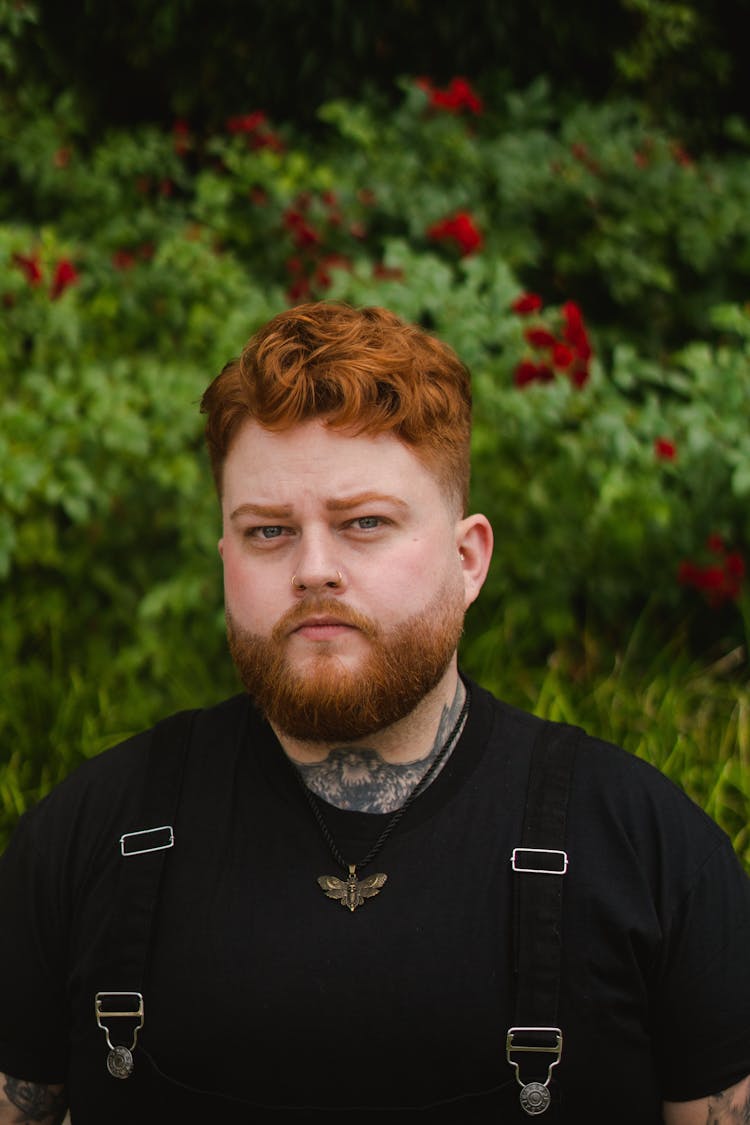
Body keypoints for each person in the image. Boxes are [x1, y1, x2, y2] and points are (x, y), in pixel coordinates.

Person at [0, 300, 749, 1124]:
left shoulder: (649, 852)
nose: (314, 568)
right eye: (268, 531)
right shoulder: (87, 835)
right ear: (225, 558)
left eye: (364, 523)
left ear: (469, 560)